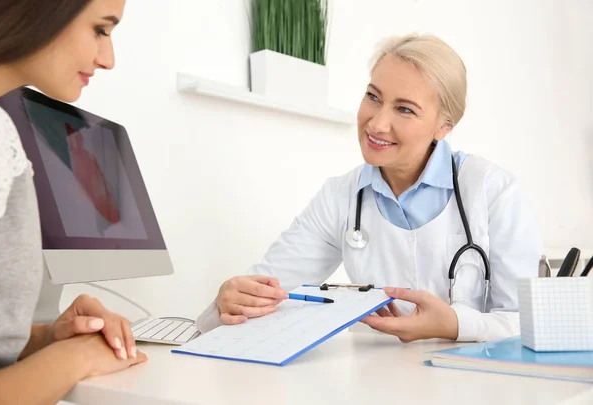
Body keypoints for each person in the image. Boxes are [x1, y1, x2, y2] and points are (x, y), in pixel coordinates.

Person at [196, 33, 542, 343]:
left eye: (405, 109)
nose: (377, 123)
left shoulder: (495, 192)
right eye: (373, 97)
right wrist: (230, 299)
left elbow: (527, 323)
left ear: (443, 126)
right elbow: (268, 291)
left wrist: (454, 324)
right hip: (374, 386)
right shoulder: (340, 197)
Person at [0, 1, 147, 403]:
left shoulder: (2, 132)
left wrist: (48, 337)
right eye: (100, 29)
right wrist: (73, 359)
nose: (109, 59)